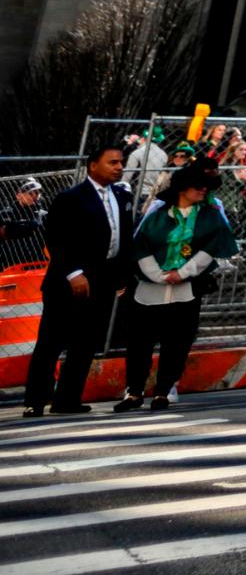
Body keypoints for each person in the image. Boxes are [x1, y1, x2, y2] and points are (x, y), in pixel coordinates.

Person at [120, 158, 239, 410]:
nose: (204, 190)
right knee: (140, 341)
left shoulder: (210, 215)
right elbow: (140, 245)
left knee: (177, 341)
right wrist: (158, 275)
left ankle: (164, 389)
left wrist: (183, 272)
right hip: (149, 289)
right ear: (182, 188)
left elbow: (213, 247)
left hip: (186, 289)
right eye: (198, 185)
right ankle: (134, 390)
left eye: (207, 186)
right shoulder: (158, 214)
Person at [24, 142, 133, 416]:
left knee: (86, 343)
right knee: (51, 340)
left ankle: (67, 400)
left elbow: (124, 237)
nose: (119, 167)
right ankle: (36, 400)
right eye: (112, 162)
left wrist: (121, 274)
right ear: (93, 165)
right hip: (67, 282)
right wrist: (73, 273)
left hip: (103, 280)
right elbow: (57, 239)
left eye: (121, 162)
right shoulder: (71, 197)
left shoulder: (121, 196)